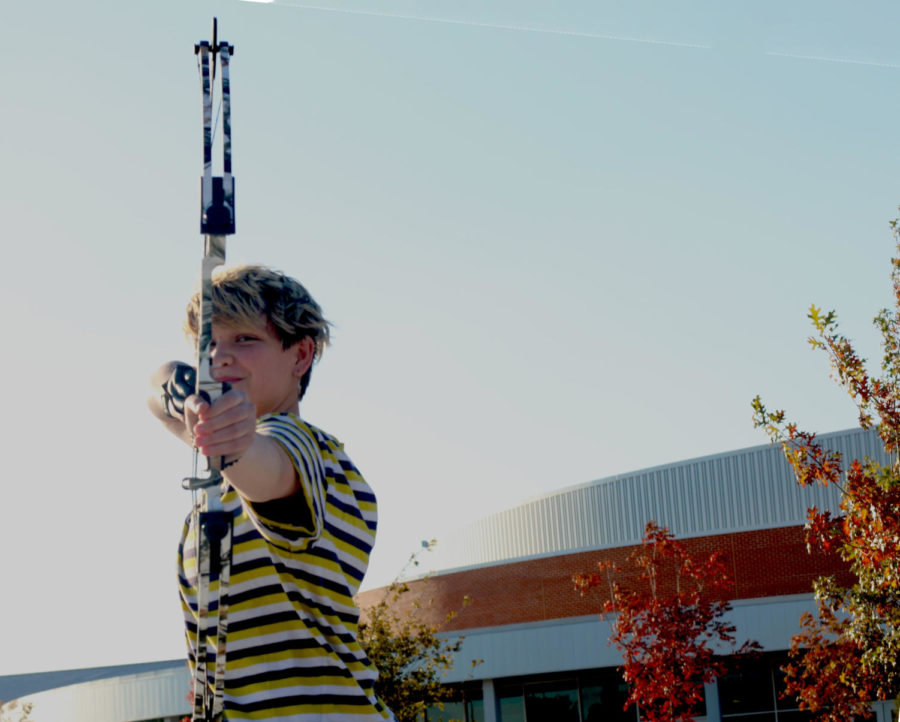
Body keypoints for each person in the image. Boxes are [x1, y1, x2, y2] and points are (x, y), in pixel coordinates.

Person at [149, 264, 394, 721]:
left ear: (300, 356)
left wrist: (237, 441)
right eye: (209, 343)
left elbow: (270, 471)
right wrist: (187, 399)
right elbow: (157, 385)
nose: (220, 358)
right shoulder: (222, 479)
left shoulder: (310, 453)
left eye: (245, 339)